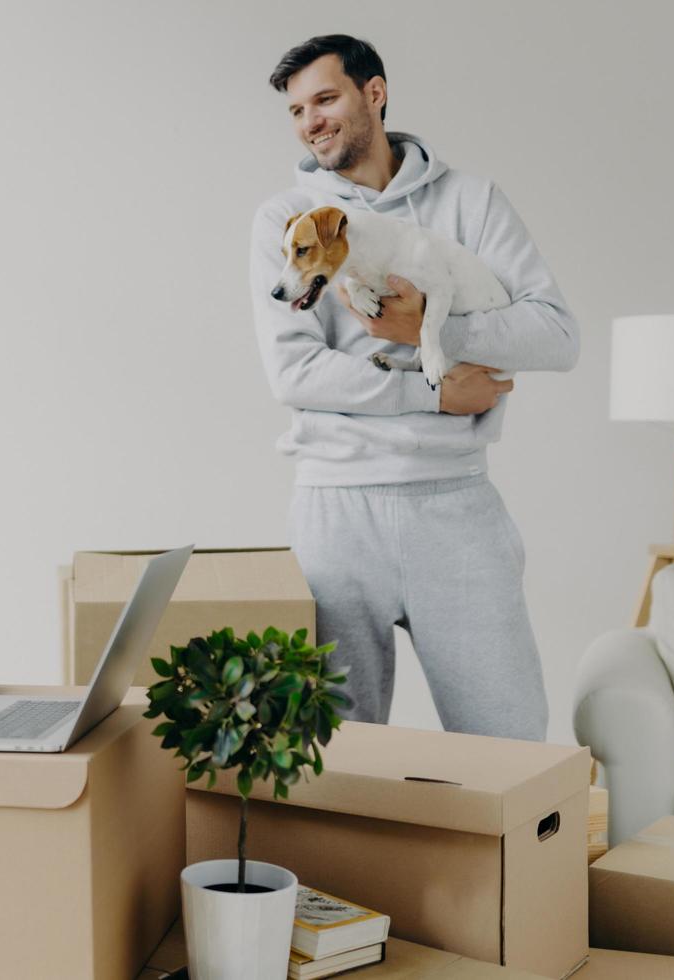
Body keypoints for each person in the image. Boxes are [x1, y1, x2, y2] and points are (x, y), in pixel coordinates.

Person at [250, 35, 578, 740]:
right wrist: (434, 393)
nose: (310, 120)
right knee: (330, 760)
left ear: (375, 92)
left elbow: (554, 335)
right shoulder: (286, 221)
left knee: (509, 743)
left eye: (326, 98)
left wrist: (429, 330)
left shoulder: (470, 201)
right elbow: (295, 373)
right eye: (297, 109)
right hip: (333, 513)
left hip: (454, 503)